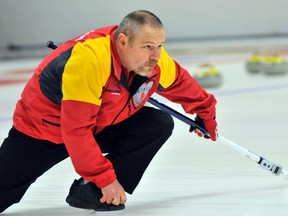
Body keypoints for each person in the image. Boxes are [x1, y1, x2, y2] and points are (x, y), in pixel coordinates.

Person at [0, 10, 217, 213]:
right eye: (148, 46)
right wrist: (106, 178)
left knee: (157, 123)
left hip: (98, 125)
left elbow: (181, 82)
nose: (156, 55)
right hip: (43, 131)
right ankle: (101, 185)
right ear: (122, 41)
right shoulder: (90, 59)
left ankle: (90, 192)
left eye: (160, 45)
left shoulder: (153, 61)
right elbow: (76, 130)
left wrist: (206, 112)